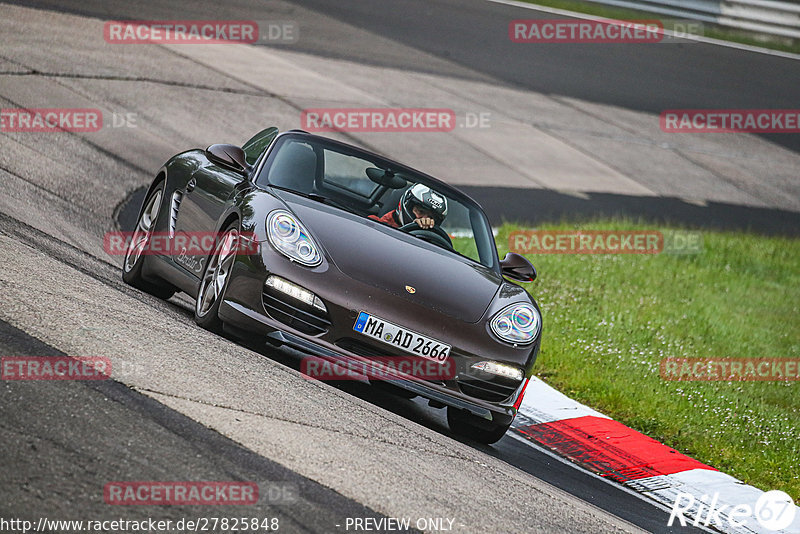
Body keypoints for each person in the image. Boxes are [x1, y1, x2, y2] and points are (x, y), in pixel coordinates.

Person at [370, 183, 448, 230]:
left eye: (431, 217)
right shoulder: (375, 224)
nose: (424, 219)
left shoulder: (436, 240)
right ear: (407, 204)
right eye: (421, 211)